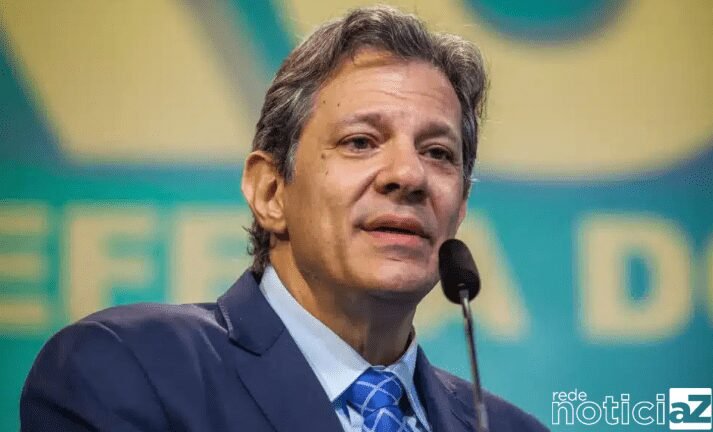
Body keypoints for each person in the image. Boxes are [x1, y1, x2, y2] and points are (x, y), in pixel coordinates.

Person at [21, 5, 548, 432]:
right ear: (271, 191)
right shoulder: (129, 371)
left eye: (438, 153)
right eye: (360, 142)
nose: (409, 175)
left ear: (460, 208)